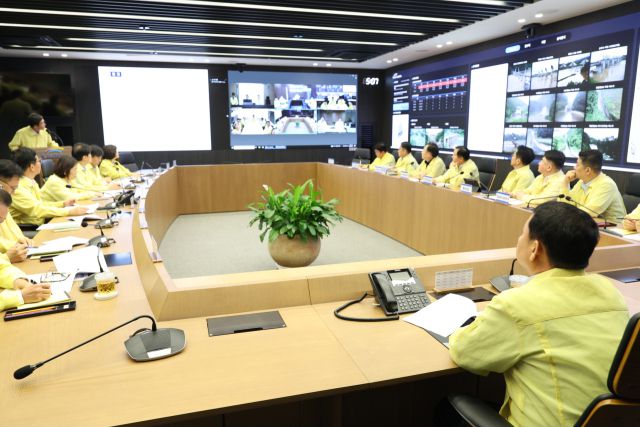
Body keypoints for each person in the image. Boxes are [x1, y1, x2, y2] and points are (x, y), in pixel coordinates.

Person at [448, 202, 629, 427]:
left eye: (521, 234)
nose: (518, 240)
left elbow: (466, 353)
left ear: (535, 249)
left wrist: (463, 329)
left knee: (446, 410)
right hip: (609, 421)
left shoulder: (516, 304)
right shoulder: (611, 293)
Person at [11, 149, 88, 226]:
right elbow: (37, 210)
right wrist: (69, 212)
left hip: (40, 223)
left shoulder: (32, 182)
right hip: (28, 228)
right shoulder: (17, 188)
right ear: (32, 167)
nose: (40, 163)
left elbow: (41, 204)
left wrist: (63, 204)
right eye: (38, 161)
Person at [563, 149, 625, 223]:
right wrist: (565, 182)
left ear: (588, 170)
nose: (574, 167)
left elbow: (588, 212)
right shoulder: (582, 181)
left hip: (613, 227)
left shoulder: (606, 185)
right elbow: (567, 205)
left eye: (577, 164)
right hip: (588, 223)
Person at [0, 161, 31, 262]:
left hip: (15, 256)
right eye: (13, 188)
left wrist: (22, 239)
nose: (14, 193)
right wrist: (15, 245)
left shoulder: (3, 201)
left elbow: (13, 229)